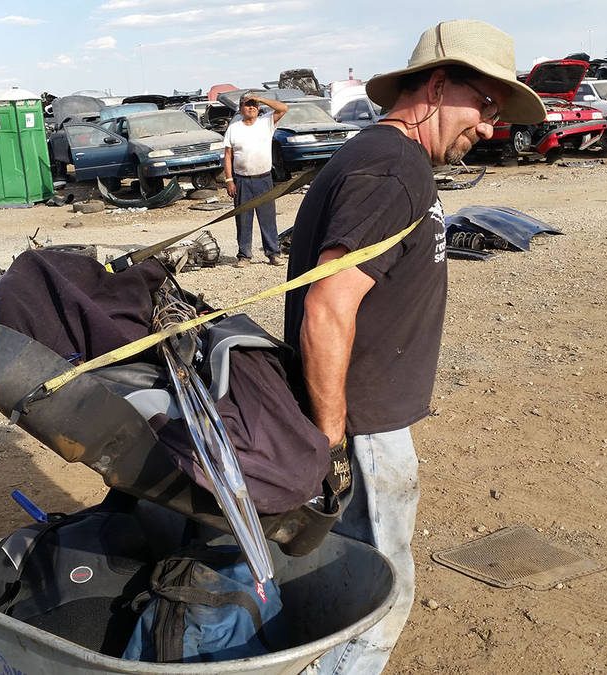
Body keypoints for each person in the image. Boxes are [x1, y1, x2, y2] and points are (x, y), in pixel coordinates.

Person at [284, 20, 546, 674]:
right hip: (362, 430)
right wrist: (334, 441)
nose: (489, 126)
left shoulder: (386, 159)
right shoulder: (391, 169)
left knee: (350, 588)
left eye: (497, 113)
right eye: (484, 104)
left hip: (364, 424)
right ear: (435, 86)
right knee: (377, 600)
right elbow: (326, 308)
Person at [222, 93, 288, 268]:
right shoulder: (234, 128)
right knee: (243, 220)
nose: (251, 107)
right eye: (247, 104)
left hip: (264, 179)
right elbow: (227, 155)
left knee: (268, 219)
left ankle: (273, 253)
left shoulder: (266, 122)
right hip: (242, 180)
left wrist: (260, 99)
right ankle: (244, 256)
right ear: (240, 109)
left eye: (254, 105)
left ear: (258, 108)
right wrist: (229, 180)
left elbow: (283, 108)